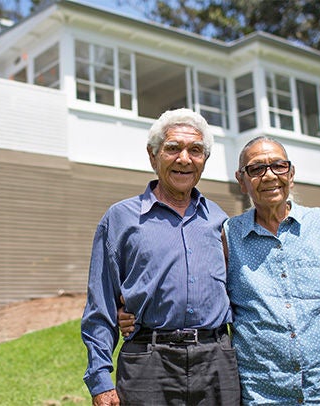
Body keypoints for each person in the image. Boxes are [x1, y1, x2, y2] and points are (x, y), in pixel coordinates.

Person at [119, 136, 320, 405]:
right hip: (264, 393)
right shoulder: (230, 234)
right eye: (256, 169)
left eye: (278, 166)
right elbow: (197, 285)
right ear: (241, 181)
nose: (269, 176)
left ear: (291, 174)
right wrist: (131, 305)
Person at [81, 108, 241, 406]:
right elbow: (100, 305)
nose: (184, 158)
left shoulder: (220, 220)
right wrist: (100, 379)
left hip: (217, 362)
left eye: (195, 150)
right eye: (172, 148)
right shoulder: (120, 219)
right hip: (148, 363)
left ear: (204, 160)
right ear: (153, 156)